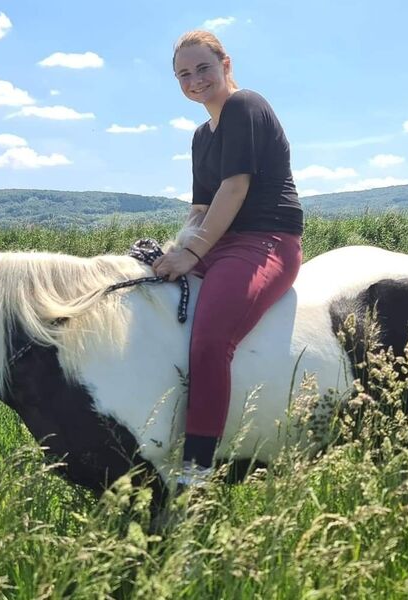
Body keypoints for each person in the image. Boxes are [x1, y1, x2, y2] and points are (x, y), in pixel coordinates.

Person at [153, 30, 304, 484]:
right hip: (220, 240)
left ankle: (196, 470)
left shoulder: (246, 106)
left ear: (225, 65)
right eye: (184, 73)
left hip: (266, 240)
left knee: (211, 340)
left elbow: (234, 187)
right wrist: (176, 249)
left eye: (203, 68)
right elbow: (201, 208)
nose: (195, 80)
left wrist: (193, 252)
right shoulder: (201, 136)